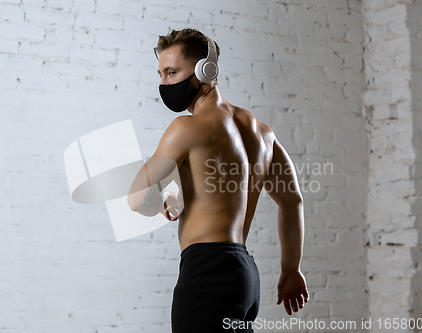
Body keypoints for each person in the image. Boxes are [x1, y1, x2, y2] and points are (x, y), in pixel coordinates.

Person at [127, 28, 309, 332]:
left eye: (173, 72)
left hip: (206, 272)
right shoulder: (263, 134)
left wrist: (160, 204)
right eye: (160, 74)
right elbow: (292, 201)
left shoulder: (187, 127)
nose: (164, 83)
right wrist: (291, 269)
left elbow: (136, 197)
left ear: (205, 71)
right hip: (243, 276)